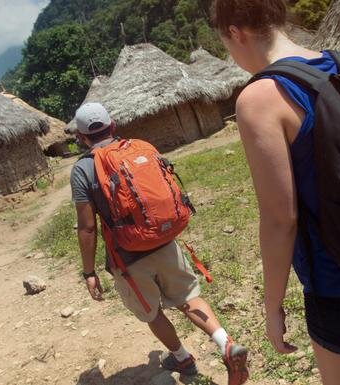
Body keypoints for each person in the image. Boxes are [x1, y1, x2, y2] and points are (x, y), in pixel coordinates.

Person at [212, 1, 340, 384]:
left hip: (339, 282)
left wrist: (272, 307)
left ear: (235, 32)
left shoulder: (260, 99)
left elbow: (280, 219)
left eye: (226, 44)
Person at [70, 102, 249, 384]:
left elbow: (87, 227)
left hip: (128, 255)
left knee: (152, 313)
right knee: (188, 297)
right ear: (113, 125)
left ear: (81, 137)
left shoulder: (83, 169)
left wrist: (89, 272)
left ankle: (182, 358)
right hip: (165, 241)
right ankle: (226, 343)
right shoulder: (141, 147)